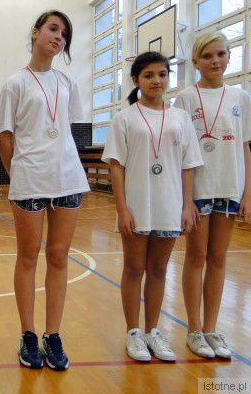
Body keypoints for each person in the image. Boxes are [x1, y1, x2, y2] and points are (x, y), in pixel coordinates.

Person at [0, 10, 88, 371]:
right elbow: (5, 137)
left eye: (64, 33)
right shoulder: (15, 83)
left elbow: (68, 130)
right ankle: (29, 335)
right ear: (35, 32)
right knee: (28, 257)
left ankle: (53, 334)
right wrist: (18, 173)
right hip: (30, 179)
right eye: (52, 28)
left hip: (68, 178)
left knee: (59, 257)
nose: (58, 37)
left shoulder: (67, 83)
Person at [102, 51, 202, 362]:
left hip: (169, 204)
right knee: (134, 268)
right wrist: (122, 208)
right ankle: (133, 332)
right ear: (136, 80)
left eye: (162, 74)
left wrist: (187, 205)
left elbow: (188, 165)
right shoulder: (125, 118)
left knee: (159, 270)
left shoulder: (181, 118)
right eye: (148, 75)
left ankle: (152, 331)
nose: (156, 80)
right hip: (137, 204)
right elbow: (116, 166)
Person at [174, 32, 251, 359]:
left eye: (221, 54)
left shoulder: (240, 97)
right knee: (196, 257)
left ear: (229, 57)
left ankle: (211, 328)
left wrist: (248, 194)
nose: (215, 61)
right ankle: (194, 329)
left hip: (229, 187)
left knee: (218, 259)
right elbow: (179, 151)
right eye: (207, 56)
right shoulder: (185, 98)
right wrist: (185, 199)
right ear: (195, 61)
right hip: (199, 189)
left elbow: (245, 147)